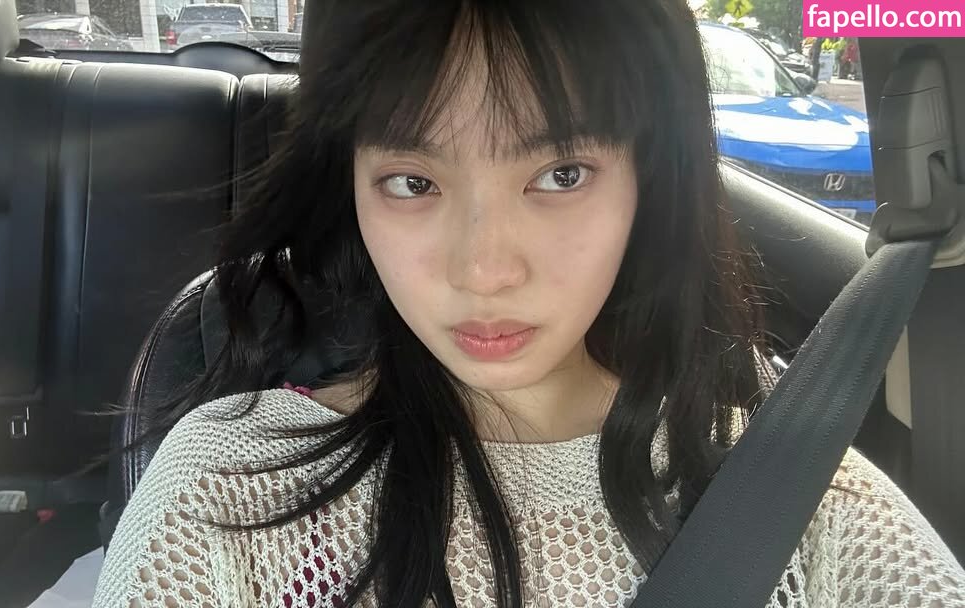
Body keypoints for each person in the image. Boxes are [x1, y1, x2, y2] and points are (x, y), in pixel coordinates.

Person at [94, 1, 965, 606]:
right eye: (411, 182)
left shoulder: (801, 498)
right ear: (350, 189)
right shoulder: (229, 494)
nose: (484, 270)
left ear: (647, 181)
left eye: (561, 174)